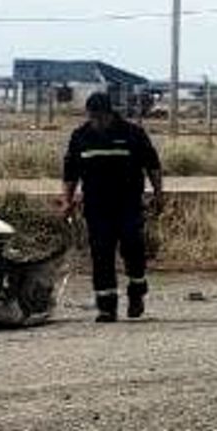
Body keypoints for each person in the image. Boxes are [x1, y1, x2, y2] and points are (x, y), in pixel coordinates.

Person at [60, 92, 163, 323]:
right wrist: (67, 201)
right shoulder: (81, 136)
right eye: (92, 117)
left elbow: (153, 166)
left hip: (128, 204)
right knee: (101, 254)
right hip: (97, 207)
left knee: (132, 247)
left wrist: (158, 194)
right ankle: (106, 307)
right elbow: (70, 172)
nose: (95, 122)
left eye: (99, 117)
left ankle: (137, 290)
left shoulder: (132, 134)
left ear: (110, 114)